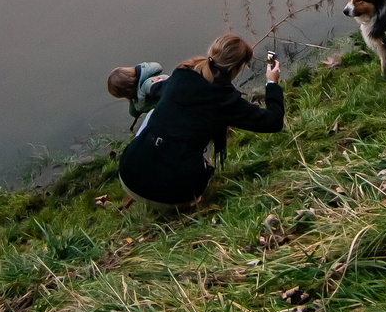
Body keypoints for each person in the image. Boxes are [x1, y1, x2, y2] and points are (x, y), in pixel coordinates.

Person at [117, 34, 283, 209]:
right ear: (238, 68)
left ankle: (152, 172)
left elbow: (158, 89)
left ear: (211, 52)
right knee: (206, 132)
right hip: (172, 197)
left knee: (154, 114)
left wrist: (145, 87)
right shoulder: (226, 101)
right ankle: (192, 196)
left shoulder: (180, 76)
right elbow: (273, 121)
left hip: (129, 174)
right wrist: (272, 83)